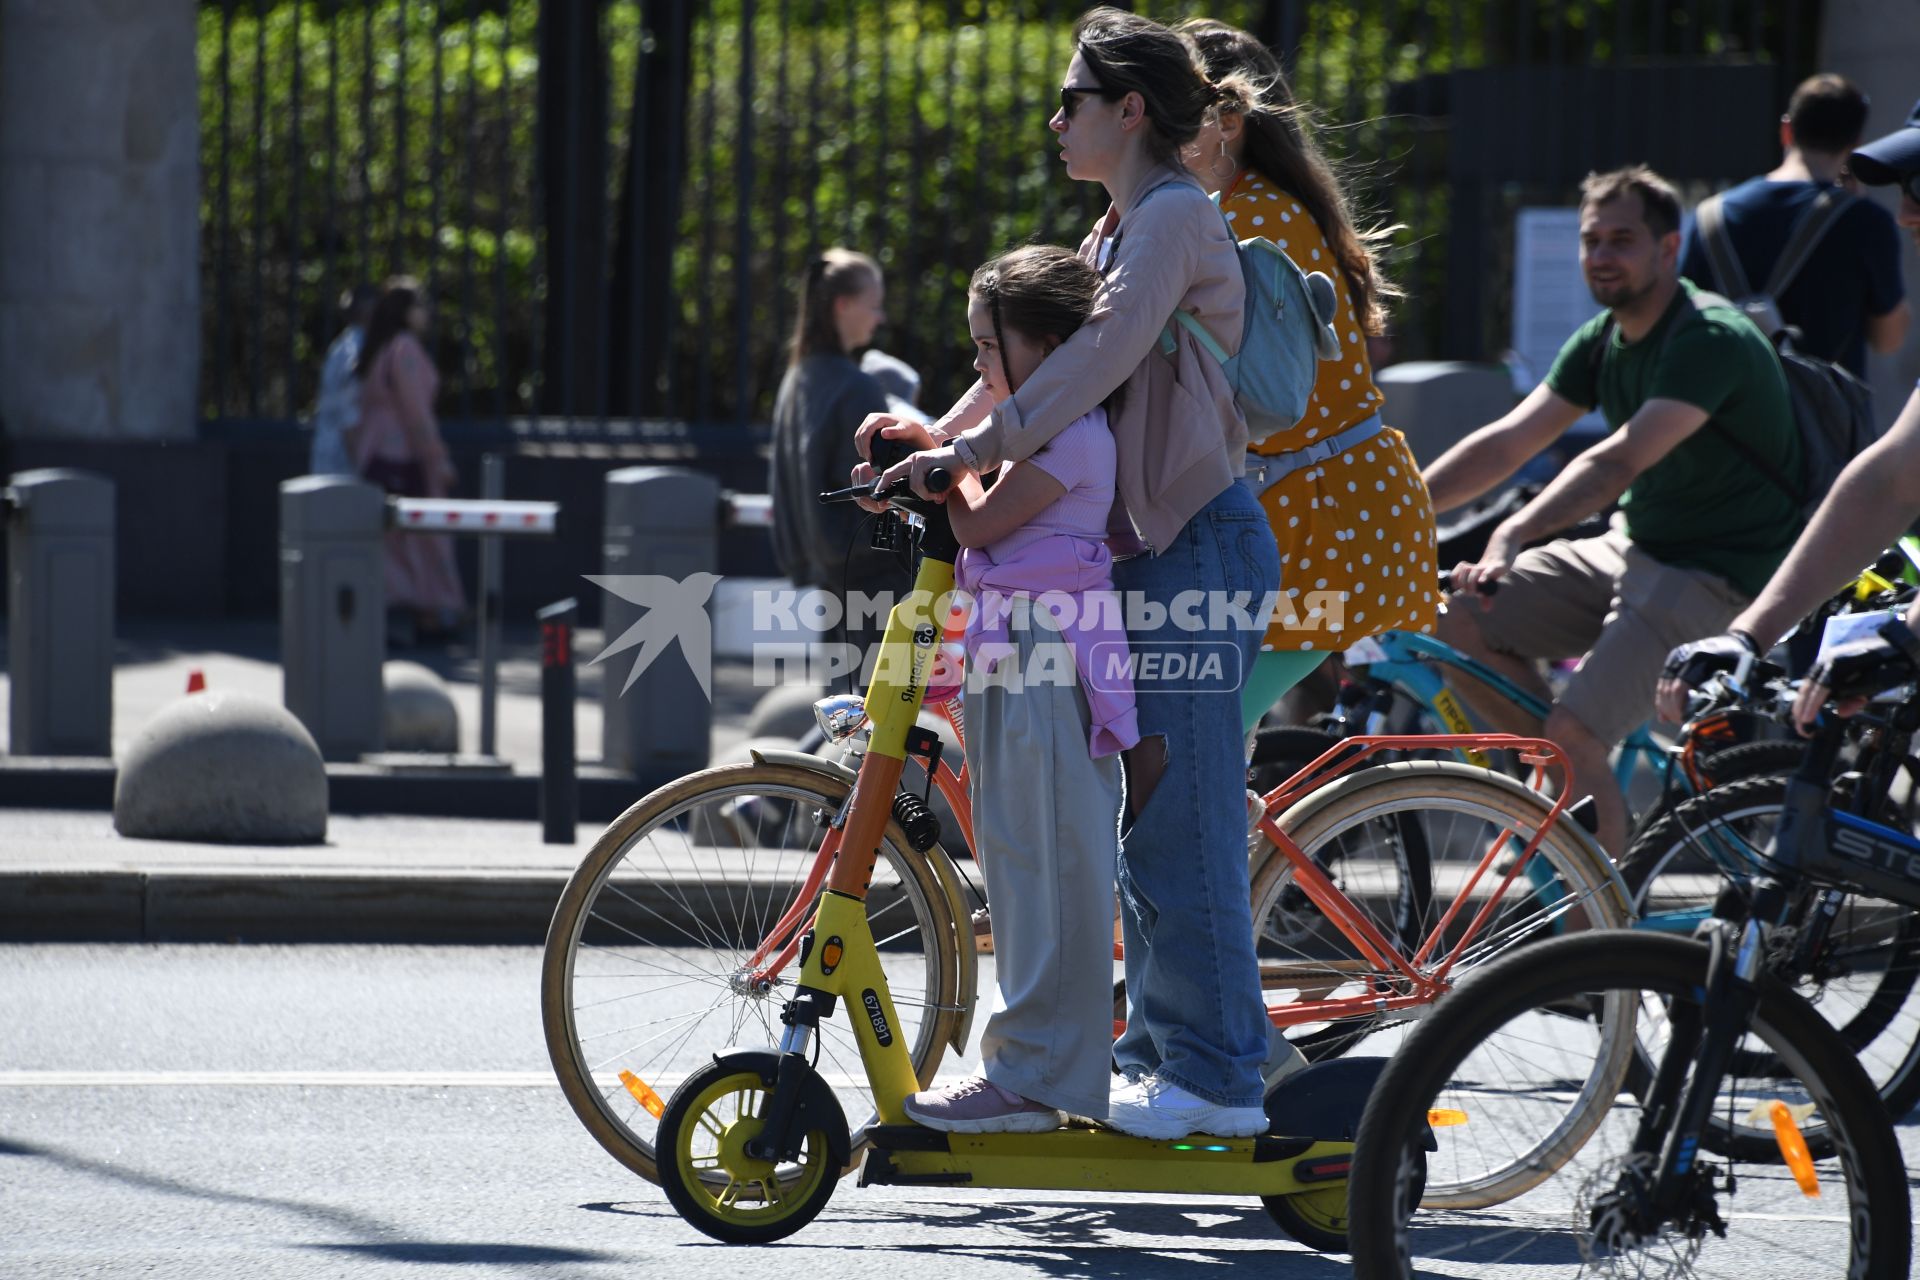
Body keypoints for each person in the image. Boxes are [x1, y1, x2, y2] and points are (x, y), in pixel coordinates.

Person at [860, 7, 1280, 1140]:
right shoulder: (1110, 232)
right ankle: (1160, 1051)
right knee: (1142, 824)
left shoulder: (1177, 221)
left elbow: (1096, 359)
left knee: (1181, 820)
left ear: (1129, 110)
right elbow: (1029, 366)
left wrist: (969, 454)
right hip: (1141, 561)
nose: (1056, 121)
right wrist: (929, 433)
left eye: (1072, 102)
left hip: (1197, 550)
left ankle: (1222, 1076)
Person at [1426, 166, 1803, 857]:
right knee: (1455, 617)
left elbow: (1615, 462)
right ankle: (1570, 782)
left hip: (1715, 572)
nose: (1601, 256)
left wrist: (1511, 532)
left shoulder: (1708, 338)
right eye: (1591, 240)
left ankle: (1596, 939)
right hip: (1632, 547)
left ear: (1668, 248)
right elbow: (1511, 440)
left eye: (1621, 240)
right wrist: (1399, 511)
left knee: (1572, 738)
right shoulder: (1603, 339)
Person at [890, 245, 1138, 1132]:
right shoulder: (1039, 418)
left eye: (990, 349)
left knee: (1047, 861)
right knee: (1018, 856)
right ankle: (1036, 1070)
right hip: (1016, 644)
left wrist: (940, 467)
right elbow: (969, 457)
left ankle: (1035, 1080)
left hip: (1047, 648)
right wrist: (922, 449)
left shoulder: (1070, 433)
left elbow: (984, 516)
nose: (979, 367)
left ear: (1047, 347)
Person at [1176, 18, 1438, 731]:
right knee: (1194, 738)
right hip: (1311, 509)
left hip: (1331, 521)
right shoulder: (1227, 210)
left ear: (1225, 121)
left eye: (1164, 102)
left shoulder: (1252, 223)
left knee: (1199, 736)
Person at [1661, 96, 1920, 732]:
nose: (1908, 215)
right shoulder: (1856, 223)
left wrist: (1907, 638)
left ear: (1784, 130)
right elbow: (1892, 476)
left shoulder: (1713, 218)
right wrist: (1749, 635)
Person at [1678, 73, 1908, 379]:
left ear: (1787, 130)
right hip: (1822, 420)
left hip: (1722, 416)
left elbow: (1682, 318)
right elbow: (1888, 340)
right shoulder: (1867, 221)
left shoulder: (1709, 216)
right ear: (1854, 144)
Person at [767, 249, 900, 677]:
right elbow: (883, 489)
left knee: (846, 714)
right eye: (873, 305)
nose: (879, 318)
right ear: (843, 305)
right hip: (874, 575)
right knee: (883, 719)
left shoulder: (797, 379)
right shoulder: (856, 388)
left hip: (830, 574)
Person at [348, 277, 466, 641]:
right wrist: (438, 458)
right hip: (406, 458)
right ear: (405, 311)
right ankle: (428, 613)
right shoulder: (406, 350)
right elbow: (417, 414)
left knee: (391, 541)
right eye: (420, 305)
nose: (426, 313)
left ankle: (400, 612)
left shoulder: (377, 349)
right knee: (422, 537)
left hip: (375, 456)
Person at [310, 284, 378, 476]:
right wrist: (362, 463)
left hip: (329, 454)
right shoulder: (358, 350)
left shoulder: (341, 346)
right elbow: (350, 414)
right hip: (344, 461)